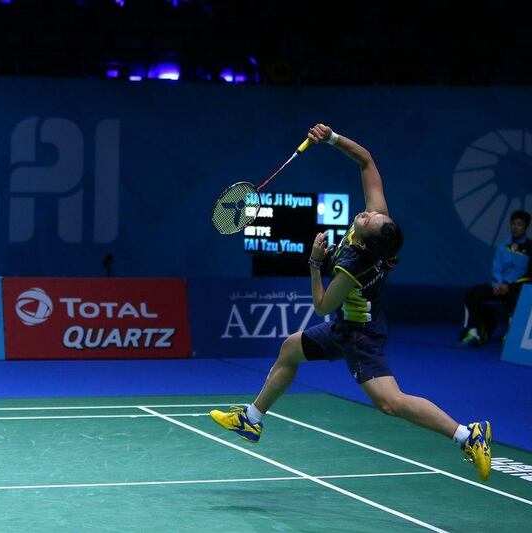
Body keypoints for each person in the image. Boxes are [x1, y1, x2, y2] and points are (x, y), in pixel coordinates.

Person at [210, 124, 492, 481]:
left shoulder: (353, 268)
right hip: (347, 327)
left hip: (359, 335)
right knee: (290, 349)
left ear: (364, 242)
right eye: (374, 214)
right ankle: (252, 419)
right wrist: (331, 139)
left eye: (370, 219)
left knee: (391, 403)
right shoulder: (377, 234)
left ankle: (467, 436)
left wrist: (314, 263)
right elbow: (366, 161)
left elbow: (323, 305)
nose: (368, 213)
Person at [461, 210, 532, 346]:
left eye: (519, 224)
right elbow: (496, 269)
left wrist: (508, 286)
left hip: (516, 289)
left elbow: (528, 274)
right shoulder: (502, 247)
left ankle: (511, 334)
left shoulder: (531, 248)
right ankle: (473, 332)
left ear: (526, 227)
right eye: (513, 224)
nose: (515, 227)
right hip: (498, 288)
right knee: (471, 293)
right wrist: (498, 285)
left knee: (517, 295)